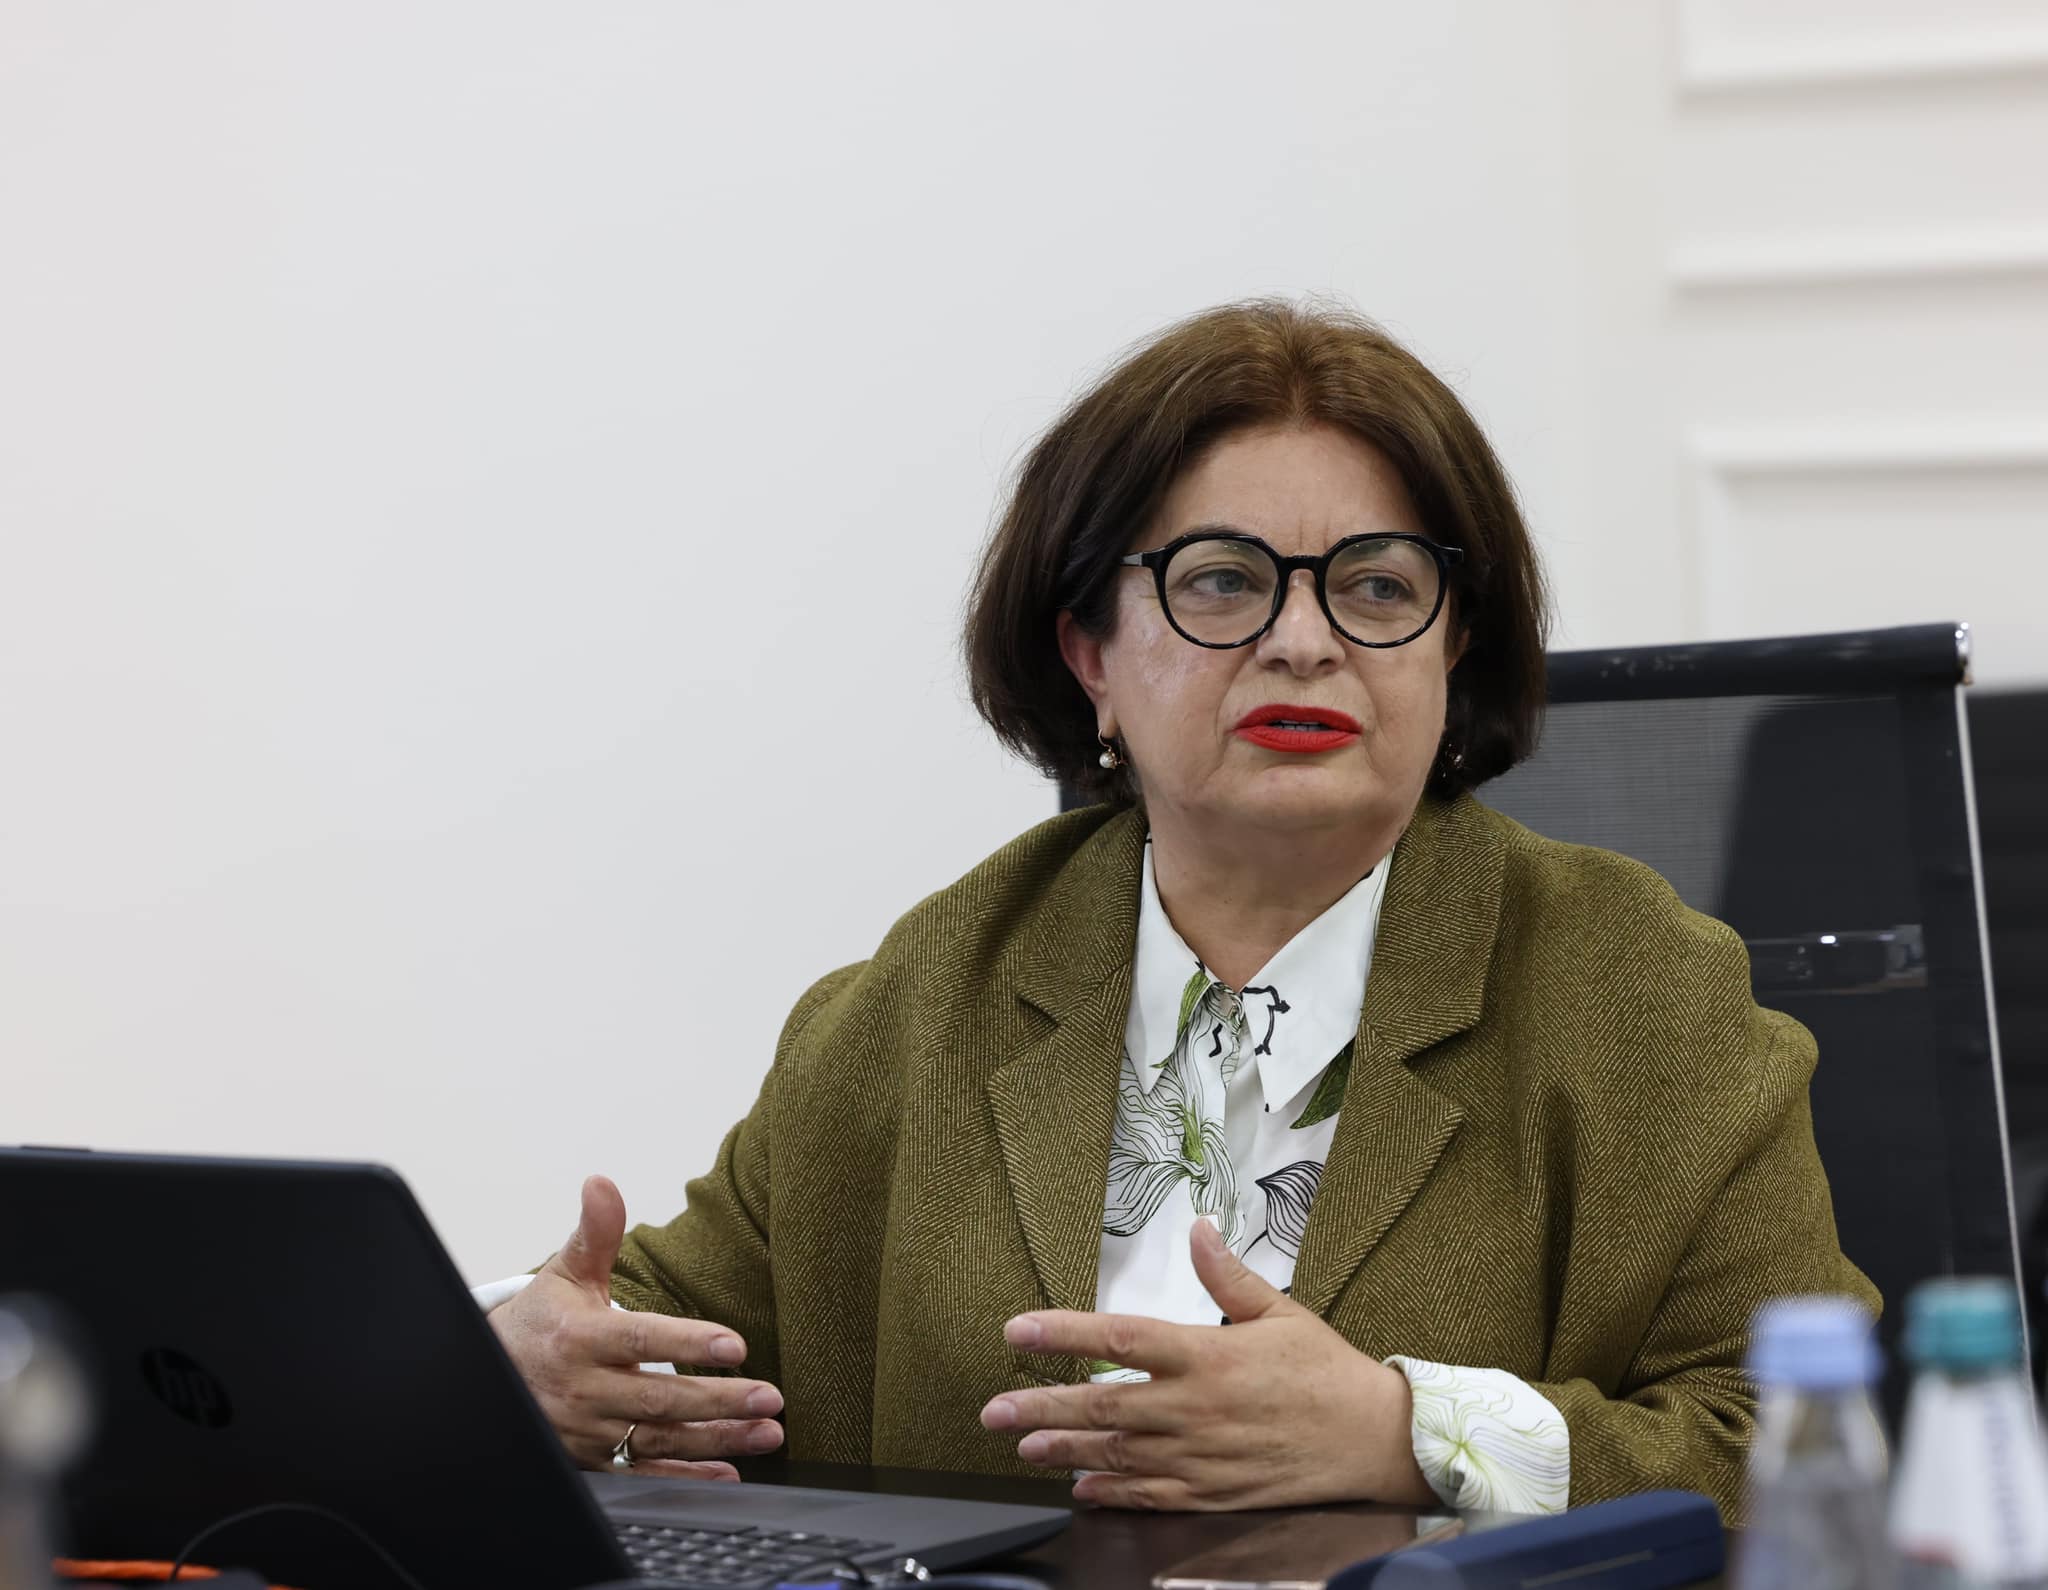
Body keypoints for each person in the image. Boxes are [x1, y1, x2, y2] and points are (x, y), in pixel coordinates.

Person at [480, 300, 1875, 1520]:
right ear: (1089, 652)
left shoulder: (1643, 992)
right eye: (1222, 581)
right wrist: (533, 1363)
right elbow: (666, 1343)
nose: (1304, 640)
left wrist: (1404, 1434)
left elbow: (1803, 1442)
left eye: (1377, 585)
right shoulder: (930, 988)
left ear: (1455, 644)